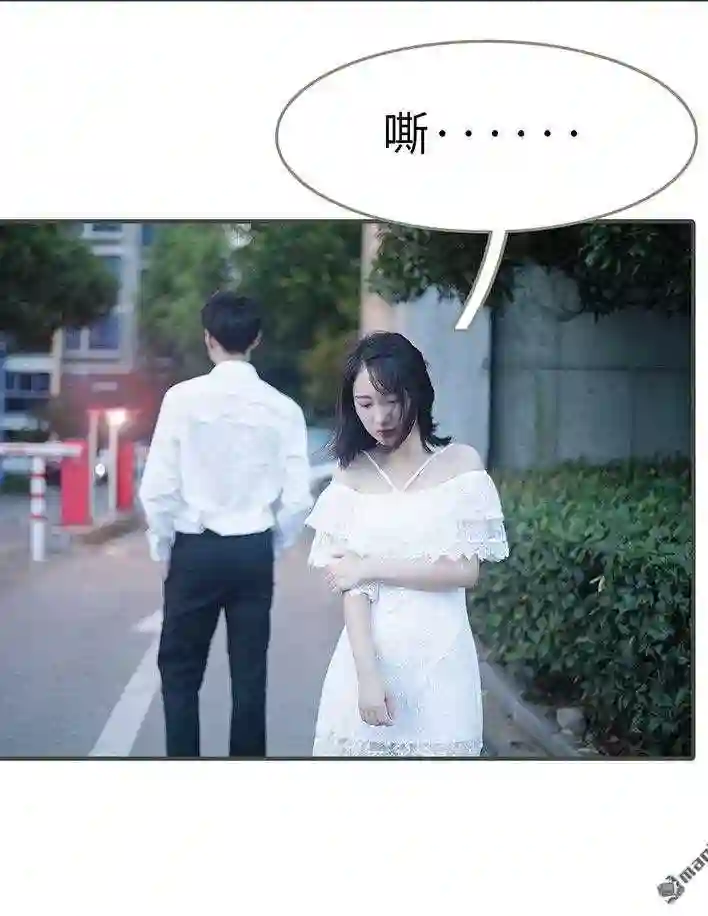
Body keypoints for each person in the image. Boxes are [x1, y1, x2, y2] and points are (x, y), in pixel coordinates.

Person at [307, 332, 508, 757]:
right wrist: (367, 676)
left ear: (416, 393)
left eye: (391, 400)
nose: (379, 417)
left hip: (441, 661)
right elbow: (352, 589)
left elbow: (464, 571)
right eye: (365, 404)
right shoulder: (351, 474)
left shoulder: (461, 465)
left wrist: (369, 565)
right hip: (368, 661)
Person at [139, 289, 311, 757]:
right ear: (256, 339)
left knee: (180, 672)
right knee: (250, 676)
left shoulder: (181, 400)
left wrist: (163, 547)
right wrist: (271, 544)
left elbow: (158, 488)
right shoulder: (284, 408)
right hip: (252, 549)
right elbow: (298, 499)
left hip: (195, 547)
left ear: (208, 338)